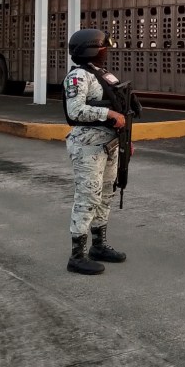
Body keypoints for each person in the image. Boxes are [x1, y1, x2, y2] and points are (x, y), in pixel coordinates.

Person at [63, 28, 129, 275]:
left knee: (106, 194)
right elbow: (75, 111)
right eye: (104, 46)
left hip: (109, 144)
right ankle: (77, 255)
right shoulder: (79, 77)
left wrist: (124, 139)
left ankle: (98, 245)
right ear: (92, 48)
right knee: (87, 197)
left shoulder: (101, 74)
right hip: (87, 146)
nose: (107, 50)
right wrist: (108, 114)